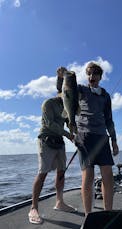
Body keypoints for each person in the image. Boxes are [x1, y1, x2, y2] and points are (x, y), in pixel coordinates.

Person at [28, 67, 77, 225]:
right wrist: (68, 135)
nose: (64, 93)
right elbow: (49, 124)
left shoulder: (67, 106)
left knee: (61, 172)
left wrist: (73, 130)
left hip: (59, 142)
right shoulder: (48, 103)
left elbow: (69, 122)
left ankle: (59, 202)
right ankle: (33, 208)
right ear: (60, 90)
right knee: (42, 173)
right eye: (62, 90)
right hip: (46, 140)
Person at [75, 62, 119, 216]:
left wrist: (114, 140)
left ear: (100, 76)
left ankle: (108, 213)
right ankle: (88, 215)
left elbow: (109, 120)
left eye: (95, 74)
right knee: (88, 176)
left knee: (108, 175)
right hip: (85, 136)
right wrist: (61, 78)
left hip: (102, 137)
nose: (91, 76)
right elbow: (64, 88)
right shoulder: (81, 89)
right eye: (89, 73)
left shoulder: (105, 95)